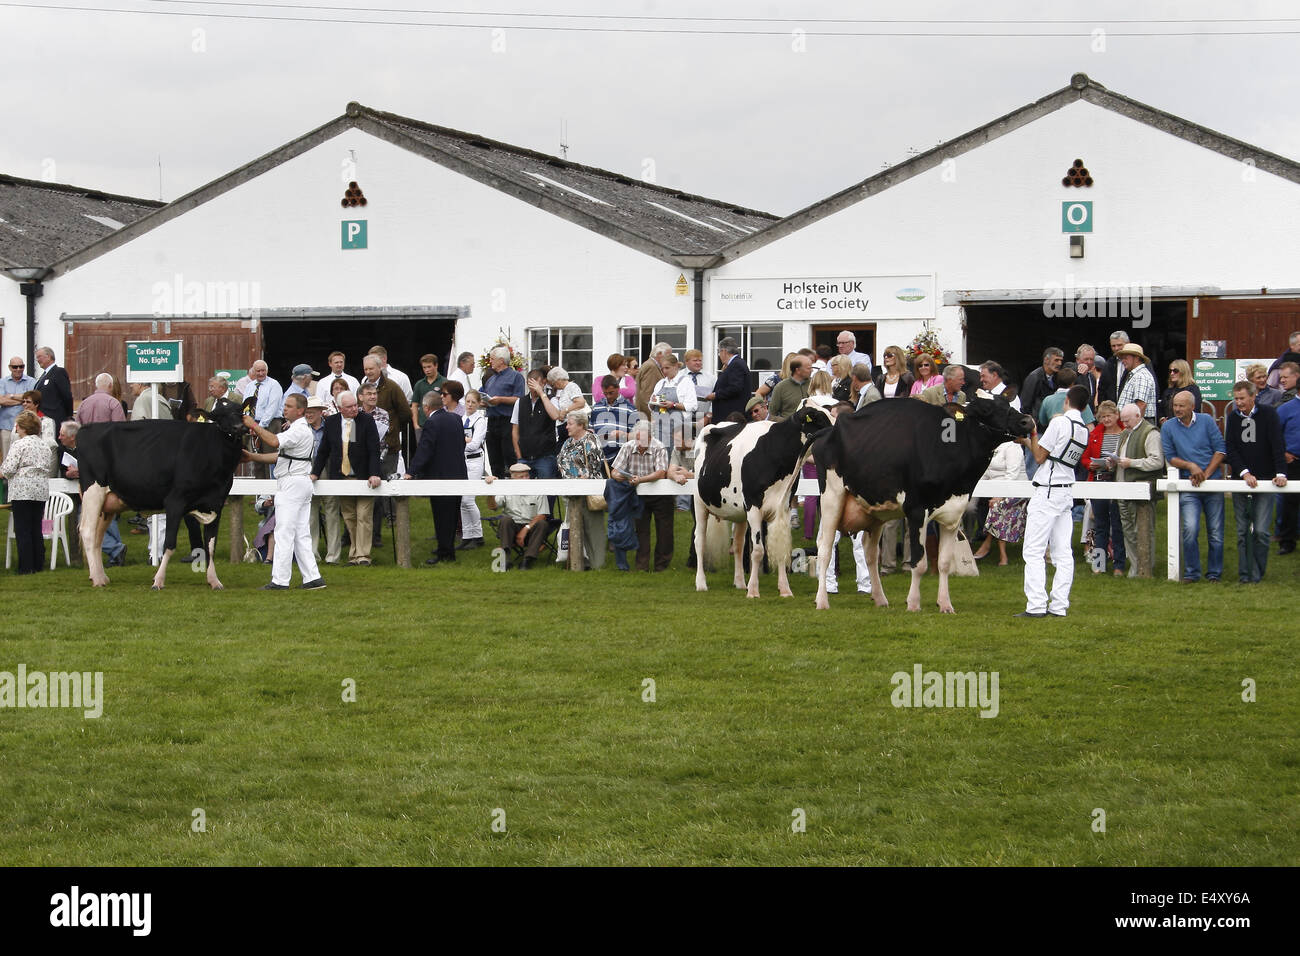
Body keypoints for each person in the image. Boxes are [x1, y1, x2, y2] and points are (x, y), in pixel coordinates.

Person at [1018, 384, 1090, 618]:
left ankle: (1036, 605)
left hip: (1047, 490)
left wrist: (1033, 435)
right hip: (1065, 491)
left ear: (1066, 400)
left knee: (1033, 550)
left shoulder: (1059, 423)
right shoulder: (1083, 429)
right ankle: (1059, 606)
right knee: (1063, 553)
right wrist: (1029, 443)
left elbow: (1039, 457)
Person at [242, 394, 325, 590]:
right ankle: (312, 578)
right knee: (300, 533)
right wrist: (253, 456)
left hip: (292, 484)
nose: (285, 409)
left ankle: (280, 580)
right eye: (285, 405)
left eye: (289, 406)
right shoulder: (298, 429)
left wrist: (253, 424)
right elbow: (280, 456)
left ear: (300, 410)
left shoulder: (298, 430)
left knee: (284, 532)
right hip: (301, 482)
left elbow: (273, 441)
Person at [1224, 380, 1287, 582]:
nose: (1238, 402)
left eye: (1242, 398)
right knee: (1242, 531)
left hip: (1265, 480)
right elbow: (1231, 448)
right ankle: (1245, 575)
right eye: (1236, 399)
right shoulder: (1233, 418)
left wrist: (1281, 473)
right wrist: (1244, 473)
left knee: (1260, 531)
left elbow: (1277, 444)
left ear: (1253, 397)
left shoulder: (1269, 415)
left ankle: (1257, 573)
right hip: (1241, 481)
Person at [311, 390, 383, 566]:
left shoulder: (366, 420)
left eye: (355, 405)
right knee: (349, 517)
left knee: (364, 515)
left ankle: (363, 555)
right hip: (341, 478)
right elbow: (323, 451)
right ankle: (353, 554)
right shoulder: (332, 423)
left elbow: (374, 450)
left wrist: (375, 473)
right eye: (349, 407)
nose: (354, 409)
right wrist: (315, 472)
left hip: (364, 478)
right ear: (339, 408)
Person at [1161, 390, 1226, 583]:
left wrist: (1205, 474)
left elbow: (1220, 450)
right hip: (1188, 484)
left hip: (1212, 482)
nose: (1177, 409)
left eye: (1181, 405)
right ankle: (1192, 572)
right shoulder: (1168, 427)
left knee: (1216, 532)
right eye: (1175, 405)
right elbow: (1170, 456)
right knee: (1190, 528)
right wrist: (1190, 466)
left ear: (1192, 406)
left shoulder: (1206, 421)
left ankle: (1214, 573)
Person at [405, 382, 468, 566]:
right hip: (457, 475)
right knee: (452, 515)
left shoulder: (432, 422)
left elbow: (425, 450)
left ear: (426, 407)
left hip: (440, 477)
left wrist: (411, 472)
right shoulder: (456, 419)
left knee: (441, 516)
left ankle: (444, 552)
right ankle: (448, 550)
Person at [612, 419, 671, 572]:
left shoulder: (659, 447)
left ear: (651, 438)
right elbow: (614, 471)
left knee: (664, 531)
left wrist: (640, 480)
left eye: (643, 439)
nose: (639, 442)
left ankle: (661, 566)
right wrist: (619, 476)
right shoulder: (627, 446)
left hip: (660, 494)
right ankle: (641, 565)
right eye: (637, 438)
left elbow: (660, 473)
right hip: (639, 495)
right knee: (641, 530)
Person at [1114, 402, 1164, 578]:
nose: (1124, 424)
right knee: (1127, 530)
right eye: (1122, 420)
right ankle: (1135, 567)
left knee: (1143, 530)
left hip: (1141, 490)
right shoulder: (1124, 434)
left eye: (1127, 420)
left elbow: (1157, 461)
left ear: (1138, 416)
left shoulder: (1150, 433)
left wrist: (1132, 463)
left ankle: (1145, 567)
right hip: (1122, 489)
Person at [1, 411, 53, 574]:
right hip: (40, 489)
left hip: (22, 489)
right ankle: (38, 563)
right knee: (36, 527)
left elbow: (9, 469)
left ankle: (26, 566)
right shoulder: (44, 444)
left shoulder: (19, 444)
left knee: (23, 529)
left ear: (23, 427)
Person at [557, 408, 608, 570]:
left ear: (581, 425)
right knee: (573, 528)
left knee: (593, 528)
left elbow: (594, 466)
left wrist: (582, 480)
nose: (567, 427)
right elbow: (561, 462)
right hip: (570, 491)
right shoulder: (567, 443)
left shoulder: (591, 440)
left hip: (589, 491)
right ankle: (576, 561)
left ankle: (597, 563)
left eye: (570, 424)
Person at [1080, 400, 1126, 575]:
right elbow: (1085, 458)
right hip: (1099, 481)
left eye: (1109, 416)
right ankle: (1099, 564)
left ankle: (1119, 565)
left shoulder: (1124, 433)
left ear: (1116, 415)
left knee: (1117, 523)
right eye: (1103, 417)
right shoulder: (1095, 434)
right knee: (1100, 524)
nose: (1106, 420)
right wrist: (1090, 465)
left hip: (1117, 481)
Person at [973, 437, 1028, 565]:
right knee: (996, 506)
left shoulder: (1012, 447)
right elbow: (986, 473)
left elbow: (1012, 475)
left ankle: (998, 552)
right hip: (997, 490)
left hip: (1017, 490)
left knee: (997, 507)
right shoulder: (993, 445)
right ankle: (989, 545)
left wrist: (1000, 495)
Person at [484, 462, 550, 569]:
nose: (526, 479)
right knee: (505, 520)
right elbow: (493, 507)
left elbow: (542, 515)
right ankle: (505, 559)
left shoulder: (537, 489)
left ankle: (527, 560)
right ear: (512, 478)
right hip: (511, 529)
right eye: (521, 477)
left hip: (531, 529)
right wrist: (491, 491)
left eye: (527, 476)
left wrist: (526, 529)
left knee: (542, 523)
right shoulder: (506, 488)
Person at [480, 345, 524, 479]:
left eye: (492, 359)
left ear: (501, 360)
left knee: (509, 455)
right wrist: (483, 402)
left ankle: (513, 488)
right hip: (492, 421)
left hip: (508, 421)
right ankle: (497, 492)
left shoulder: (516, 377)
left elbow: (520, 399)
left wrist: (500, 400)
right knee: (494, 458)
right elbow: (484, 395)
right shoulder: (491, 379)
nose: (490, 362)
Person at [512, 368, 562, 480]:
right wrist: (519, 456)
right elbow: (515, 430)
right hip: (524, 457)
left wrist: (541, 393)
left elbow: (555, 415)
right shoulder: (520, 402)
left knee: (547, 492)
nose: (534, 388)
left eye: (537, 384)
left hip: (545, 457)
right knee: (524, 493)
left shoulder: (551, 399)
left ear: (543, 383)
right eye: (531, 384)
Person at [458, 389, 488, 550]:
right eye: (468, 401)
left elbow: (475, 444)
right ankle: (467, 535)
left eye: (473, 402)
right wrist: (465, 440)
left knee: (468, 500)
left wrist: (462, 442)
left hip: (475, 461)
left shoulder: (480, 421)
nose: (470, 405)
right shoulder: (461, 419)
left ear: (478, 404)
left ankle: (478, 534)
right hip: (462, 461)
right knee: (462, 501)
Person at [648, 354, 695, 450]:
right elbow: (651, 407)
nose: (664, 371)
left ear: (676, 366)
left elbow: (693, 406)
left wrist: (673, 405)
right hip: (660, 427)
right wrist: (653, 402)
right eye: (662, 369)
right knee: (661, 454)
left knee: (677, 457)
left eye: (667, 368)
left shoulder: (686, 382)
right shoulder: (660, 383)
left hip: (679, 429)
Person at [590, 374, 637, 464]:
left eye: (611, 393)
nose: (608, 396)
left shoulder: (630, 409)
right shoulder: (596, 407)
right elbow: (591, 430)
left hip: (621, 457)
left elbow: (636, 436)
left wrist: (622, 434)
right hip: (599, 457)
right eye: (605, 393)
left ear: (618, 388)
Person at [1276, 391, 1300, 556]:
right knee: (1290, 503)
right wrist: (1283, 453)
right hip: (1293, 462)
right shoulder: (1285, 409)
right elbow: (1275, 434)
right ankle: (1287, 542)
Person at [1, 356, 36, 462]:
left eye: (21, 366)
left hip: (26, 426)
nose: (18, 369)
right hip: (6, 426)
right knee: (7, 458)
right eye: (15, 367)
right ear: (10, 367)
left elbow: (32, 399)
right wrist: (22, 399)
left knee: (25, 457)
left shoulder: (31, 381)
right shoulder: (3, 382)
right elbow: (1, 401)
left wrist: (10, 396)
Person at [708, 337, 750, 422]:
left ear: (724, 351)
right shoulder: (733, 365)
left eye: (719, 352)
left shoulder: (736, 364)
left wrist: (716, 395)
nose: (719, 355)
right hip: (729, 414)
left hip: (731, 415)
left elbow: (735, 388)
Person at [31, 346, 73, 430]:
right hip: (42, 419)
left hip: (55, 419)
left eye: (39, 357)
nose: (37, 360)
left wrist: (68, 415)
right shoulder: (43, 375)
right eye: (37, 358)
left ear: (49, 356)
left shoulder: (58, 372)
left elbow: (66, 395)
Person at [1115, 343, 1158, 422]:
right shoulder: (1136, 375)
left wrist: (1135, 427)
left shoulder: (1141, 376)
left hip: (1137, 423)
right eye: (1122, 358)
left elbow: (1141, 405)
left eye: (1126, 358)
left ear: (1137, 358)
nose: (1123, 361)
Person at [1019, 347, 1064, 421]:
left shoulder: (1057, 377)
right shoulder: (1034, 377)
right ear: (1046, 360)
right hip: (1037, 424)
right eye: (1056, 360)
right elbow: (1025, 405)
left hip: (1052, 421)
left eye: (1061, 360)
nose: (1059, 363)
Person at [635, 342, 674, 418]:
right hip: (650, 415)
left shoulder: (652, 365)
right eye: (668, 355)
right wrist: (661, 414)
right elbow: (648, 396)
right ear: (659, 354)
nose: (670, 358)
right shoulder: (651, 367)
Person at [682, 349, 716, 433]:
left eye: (700, 360)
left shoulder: (711, 378)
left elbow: (716, 399)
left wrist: (708, 416)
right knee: (684, 445)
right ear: (687, 362)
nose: (698, 363)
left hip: (704, 420)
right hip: (683, 420)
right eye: (695, 360)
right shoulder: (679, 377)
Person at [768, 355, 811, 421]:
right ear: (798, 370)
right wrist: (786, 422)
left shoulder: (813, 384)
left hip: (812, 429)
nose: (812, 370)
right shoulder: (781, 387)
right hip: (789, 429)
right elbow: (771, 414)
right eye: (808, 368)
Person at [412, 353, 448, 428]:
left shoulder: (445, 382)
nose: (427, 370)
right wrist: (415, 425)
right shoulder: (419, 384)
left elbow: (448, 403)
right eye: (424, 367)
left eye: (429, 367)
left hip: (440, 424)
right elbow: (414, 405)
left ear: (436, 365)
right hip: (422, 425)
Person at [1097, 330, 1130, 405]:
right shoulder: (1109, 364)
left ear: (1128, 344)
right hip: (1112, 411)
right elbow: (1102, 389)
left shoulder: (1139, 363)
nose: (1116, 348)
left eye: (1119, 345)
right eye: (1113, 346)